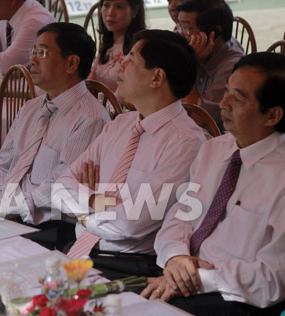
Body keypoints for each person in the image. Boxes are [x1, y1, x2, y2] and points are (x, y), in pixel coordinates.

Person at [141, 52, 285, 315]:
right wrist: (176, 257)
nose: (222, 103)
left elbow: (274, 277)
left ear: (272, 115)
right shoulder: (214, 151)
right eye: (226, 90)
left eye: (238, 99)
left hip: (238, 299)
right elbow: (182, 215)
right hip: (181, 279)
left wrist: (197, 280)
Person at [56, 30, 206, 278]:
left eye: (132, 59)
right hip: (80, 252)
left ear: (157, 77)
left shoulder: (184, 142)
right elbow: (59, 188)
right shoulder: (121, 125)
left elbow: (131, 223)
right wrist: (98, 201)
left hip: (128, 267)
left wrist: (83, 210)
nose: (120, 64)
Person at [0, 22, 110, 251]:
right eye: (33, 52)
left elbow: (62, 187)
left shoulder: (90, 118)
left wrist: (7, 209)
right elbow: (2, 166)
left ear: (71, 63)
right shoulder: (32, 108)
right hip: (9, 215)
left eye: (43, 52)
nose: (33, 60)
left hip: (51, 228)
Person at [177, 0, 244, 127]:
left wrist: (191, 65)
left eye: (188, 27)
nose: (181, 34)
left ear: (214, 32)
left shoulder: (231, 68)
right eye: (180, 26)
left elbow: (196, 119)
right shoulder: (197, 49)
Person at [86, 0, 146, 94]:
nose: (110, 13)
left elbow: (126, 97)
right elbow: (91, 81)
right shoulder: (108, 44)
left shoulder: (139, 48)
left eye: (119, 7)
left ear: (135, 11)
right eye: (106, 5)